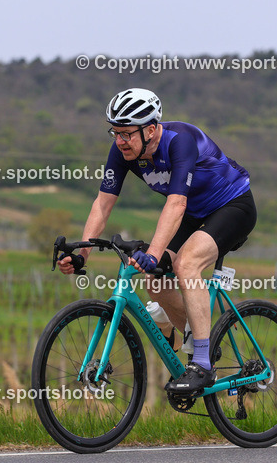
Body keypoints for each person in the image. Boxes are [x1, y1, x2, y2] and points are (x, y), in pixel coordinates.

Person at [57, 88, 257, 395]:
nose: (120, 141)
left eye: (127, 133)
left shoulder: (180, 141)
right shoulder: (123, 152)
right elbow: (103, 204)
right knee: (155, 280)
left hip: (232, 206)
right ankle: (198, 340)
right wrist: (83, 253)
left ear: (150, 130)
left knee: (186, 264)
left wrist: (153, 252)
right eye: (115, 132)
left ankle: (202, 365)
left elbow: (176, 203)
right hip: (193, 213)